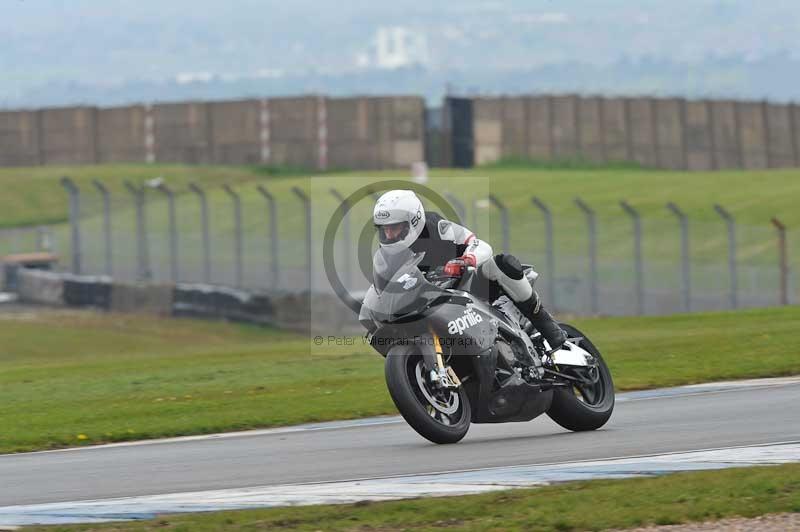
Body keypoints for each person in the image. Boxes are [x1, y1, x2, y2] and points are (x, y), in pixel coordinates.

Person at [373, 189, 567, 350]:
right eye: (384, 229)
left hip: (470, 289)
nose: (389, 234)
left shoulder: (437, 228)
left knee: (501, 263)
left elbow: (478, 244)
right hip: (431, 308)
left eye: (395, 228)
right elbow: (383, 293)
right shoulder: (384, 258)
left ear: (413, 221)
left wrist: (466, 259)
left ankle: (547, 326)